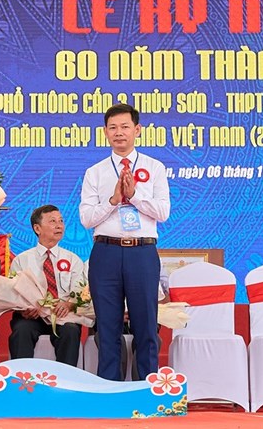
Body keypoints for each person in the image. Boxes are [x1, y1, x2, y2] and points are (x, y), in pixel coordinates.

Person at [79, 103, 170, 380]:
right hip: (105, 251)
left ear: (137, 130)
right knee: (107, 328)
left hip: (141, 252)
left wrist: (135, 196)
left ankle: (147, 388)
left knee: (146, 326)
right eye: (113, 128)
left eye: (125, 127)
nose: (119, 133)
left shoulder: (154, 167)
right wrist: (113, 200)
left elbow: (163, 212)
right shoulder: (95, 172)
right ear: (105, 132)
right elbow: (86, 218)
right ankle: (110, 390)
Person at [9, 205, 86, 366]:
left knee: (70, 331)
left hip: (63, 315)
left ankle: (66, 378)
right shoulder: (21, 260)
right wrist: (24, 309)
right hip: (32, 316)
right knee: (22, 331)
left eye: (61, 221)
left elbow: (80, 291)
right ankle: (21, 377)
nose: (59, 226)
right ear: (37, 228)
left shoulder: (73, 259)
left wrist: (69, 304)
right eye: (52, 221)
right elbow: (13, 294)